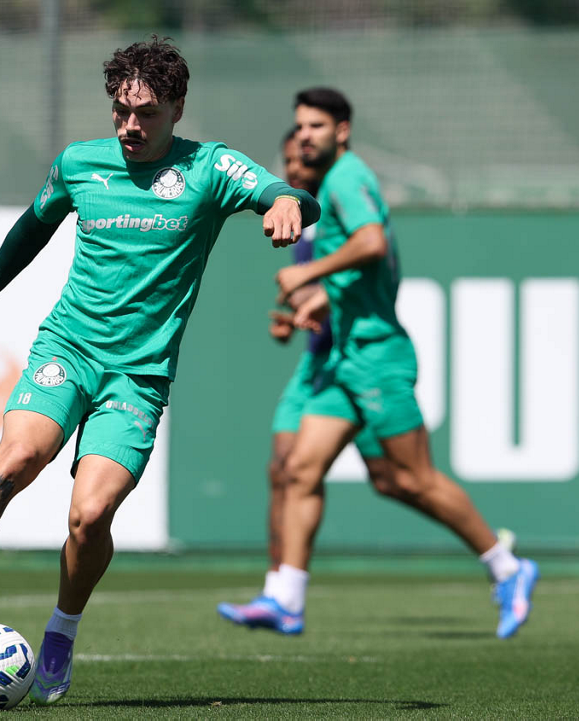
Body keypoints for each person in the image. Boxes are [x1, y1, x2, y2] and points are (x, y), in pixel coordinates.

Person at [0, 37, 319, 705]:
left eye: (146, 113)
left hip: (138, 376)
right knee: (15, 459)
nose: (130, 126)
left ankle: (62, 628)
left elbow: (281, 193)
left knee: (90, 515)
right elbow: (31, 229)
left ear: (177, 107)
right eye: (121, 111)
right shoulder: (80, 163)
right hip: (67, 349)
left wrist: (288, 204)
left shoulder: (210, 168)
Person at [218, 88, 537, 639]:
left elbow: (371, 243)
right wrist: (318, 302)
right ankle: (286, 599)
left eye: (317, 126)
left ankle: (507, 568)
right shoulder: (331, 184)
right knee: (298, 469)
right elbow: (359, 270)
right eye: (300, 126)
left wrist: (308, 274)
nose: (305, 136)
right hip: (345, 358)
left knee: (413, 479)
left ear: (342, 130)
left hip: (376, 356)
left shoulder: (347, 177)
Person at [217, 130, 395, 632]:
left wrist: (316, 301)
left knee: (399, 480)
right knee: (284, 468)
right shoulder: (301, 226)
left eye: (303, 159)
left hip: (354, 363)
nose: (295, 169)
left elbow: (364, 281)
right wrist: (295, 319)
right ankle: (279, 592)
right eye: (289, 163)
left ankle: (501, 561)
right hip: (318, 363)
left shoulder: (342, 217)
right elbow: (313, 300)